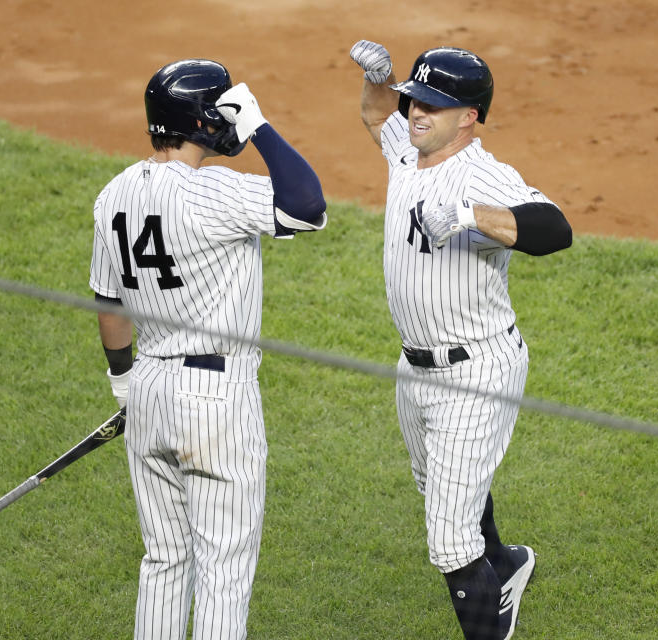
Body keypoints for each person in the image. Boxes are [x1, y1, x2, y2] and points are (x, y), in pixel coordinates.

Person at [89, 58, 326, 640]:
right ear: (202, 119)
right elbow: (307, 207)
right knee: (224, 567)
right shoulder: (213, 192)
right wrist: (261, 126)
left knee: (164, 560)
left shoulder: (112, 195)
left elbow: (108, 301)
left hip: (147, 386)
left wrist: (124, 383)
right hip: (216, 399)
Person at [349, 40, 572, 640]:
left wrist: (473, 215)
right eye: (414, 99)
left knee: (448, 539)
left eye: (432, 105)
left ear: (469, 116)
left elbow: (555, 229)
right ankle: (505, 565)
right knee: (444, 491)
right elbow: (376, 116)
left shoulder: (483, 173)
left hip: (477, 370)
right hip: (414, 369)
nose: (415, 112)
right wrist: (382, 80)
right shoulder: (406, 150)